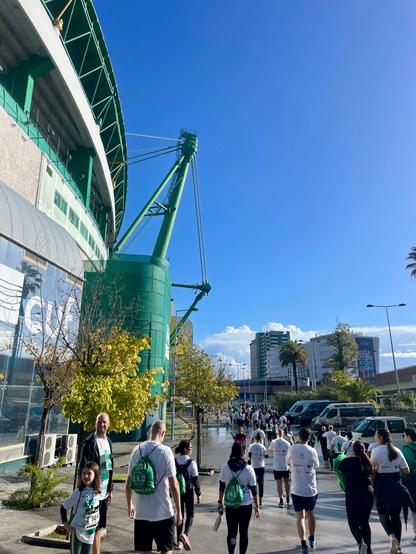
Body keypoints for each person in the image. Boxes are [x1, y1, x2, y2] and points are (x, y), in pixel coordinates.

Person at [125, 420, 182, 554]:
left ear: (150, 432)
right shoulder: (166, 451)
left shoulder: (136, 450)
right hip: (163, 513)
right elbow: (174, 484)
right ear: (162, 433)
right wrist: (179, 510)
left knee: (144, 551)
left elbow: (128, 483)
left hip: (141, 513)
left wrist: (130, 505)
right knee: (167, 550)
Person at [78, 413, 113, 554]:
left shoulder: (108, 442)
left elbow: (109, 467)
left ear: (108, 424)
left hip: (104, 493)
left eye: (104, 422)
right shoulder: (89, 443)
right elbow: (84, 469)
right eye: (99, 422)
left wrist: (110, 489)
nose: (102, 425)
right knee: (90, 527)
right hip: (92, 494)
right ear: (95, 423)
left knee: (99, 528)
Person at [371, 429, 410, 554]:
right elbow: (406, 470)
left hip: (381, 485)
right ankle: (398, 546)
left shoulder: (375, 451)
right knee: (395, 515)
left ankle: (391, 536)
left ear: (381, 437)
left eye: (376, 436)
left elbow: (373, 471)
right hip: (395, 484)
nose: (374, 438)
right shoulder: (397, 451)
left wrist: (371, 484)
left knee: (383, 513)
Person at [218, 442, 260, 554]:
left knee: (231, 532)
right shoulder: (249, 469)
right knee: (244, 532)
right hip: (245, 505)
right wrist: (257, 506)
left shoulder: (225, 467)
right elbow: (254, 490)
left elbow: (222, 486)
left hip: (230, 504)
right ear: (243, 452)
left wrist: (220, 502)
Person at [287, 427, 319, 554]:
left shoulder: (292, 448)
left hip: (297, 489)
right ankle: (312, 539)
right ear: (309, 438)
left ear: (298, 436)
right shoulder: (312, 450)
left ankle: (303, 544)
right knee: (311, 513)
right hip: (311, 489)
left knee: (300, 517)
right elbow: (317, 466)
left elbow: (288, 462)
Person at [339, 441, 374, 554]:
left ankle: (361, 542)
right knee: (364, 522)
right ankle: (368, 548)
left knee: (353, 522)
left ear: (353, 450)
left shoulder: (346, 462)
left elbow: (339, 468)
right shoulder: (368, 461)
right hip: (367, 494)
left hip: (352, 495)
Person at [61, 462, 101, 554]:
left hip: (90, 532)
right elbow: (63, 508)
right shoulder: (78, 493)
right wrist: (66, 525)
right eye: (84, 473)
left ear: (95, 475)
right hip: (77, 531)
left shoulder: (98, 493)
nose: (86, 476)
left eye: (89, 473)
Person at [175, 440, 201, 551]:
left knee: (180, 515)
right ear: (185, 449)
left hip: (177, 492)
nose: (192, 449)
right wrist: (198, 494)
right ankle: (185, 534)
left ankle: (179, 542)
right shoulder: (191, 463)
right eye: (190, 447)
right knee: (190, 515)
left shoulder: (174, 461)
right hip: (189, 492)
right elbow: (195, 480)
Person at [269, 428, 291, 508]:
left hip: (277, 466)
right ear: (283, 434)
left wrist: (276, 451)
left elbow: (270, 450)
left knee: (279, 483)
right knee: (286, 482)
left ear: (276, 434)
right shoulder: (287, 443)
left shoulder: (273, 442)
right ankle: (288, 500)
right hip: (285, 466)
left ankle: (281, 501)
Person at [401, 427, 416, 544]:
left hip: (411, 482)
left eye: (404, 436)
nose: (403, 438)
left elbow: (403, 469)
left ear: (409, 437)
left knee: (414, 509)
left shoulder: (405, 450)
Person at [248, 433, 268, 505]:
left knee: (253, 483)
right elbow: (266, 456)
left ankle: (254, 497)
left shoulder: (251, 446)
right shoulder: (262, 446)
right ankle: (260, 499)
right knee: (261, 483)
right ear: (261, 439)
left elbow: (249, 455)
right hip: (261, 466)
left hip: (253, 466)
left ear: (255, 438)